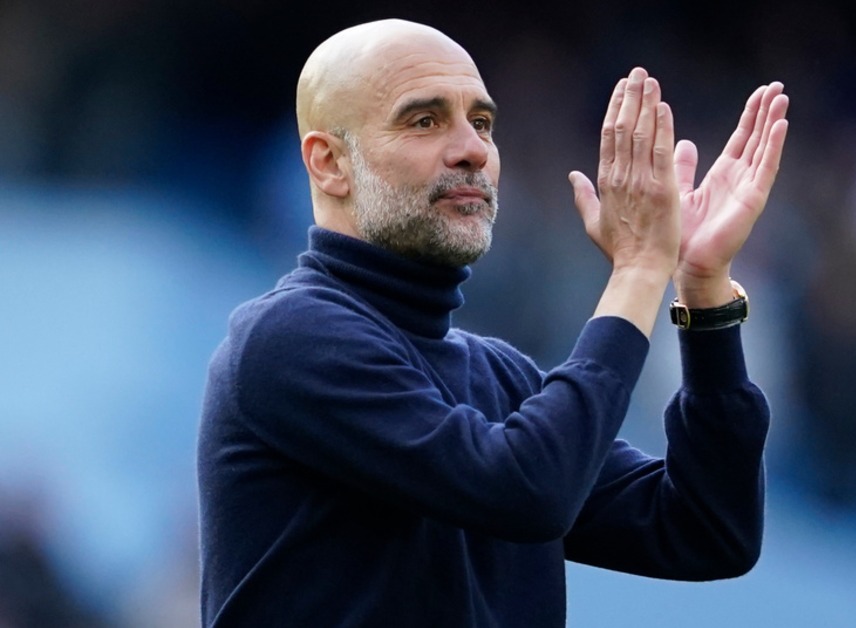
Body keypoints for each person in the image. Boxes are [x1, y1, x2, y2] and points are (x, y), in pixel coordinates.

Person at [198, 18, 788, 627]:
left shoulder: (499, 376)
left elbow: (708, 530)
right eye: (424, 121)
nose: (472, 149)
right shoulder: (288, 337)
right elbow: (526, 491)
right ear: (329, 163)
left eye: (481, 123)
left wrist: (703, 290)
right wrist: (639, 269)